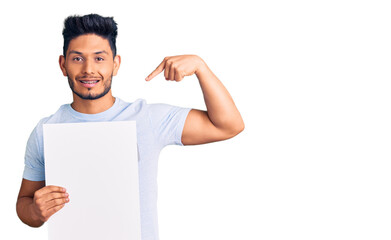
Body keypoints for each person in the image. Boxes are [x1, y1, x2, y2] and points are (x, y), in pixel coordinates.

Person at [16, 13, 244, 240]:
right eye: (77, 58)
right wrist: (35, 212)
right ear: (63, 65)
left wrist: (200, 67)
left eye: (99, 58)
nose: (88, 69)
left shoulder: (147, 118)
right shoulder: (46, 129)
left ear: (115, 65)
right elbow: (23, 204)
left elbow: (228, 126)